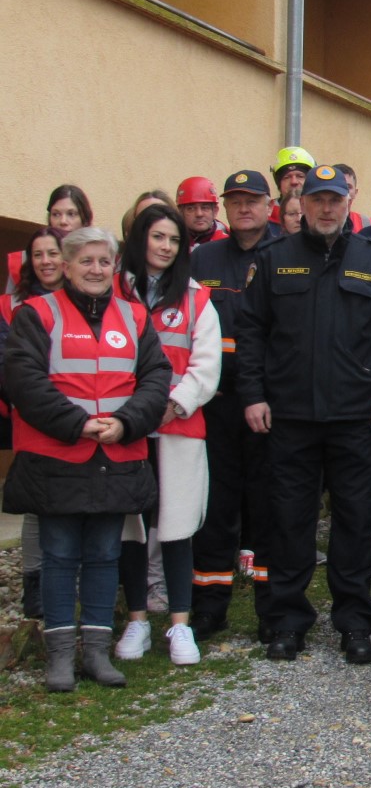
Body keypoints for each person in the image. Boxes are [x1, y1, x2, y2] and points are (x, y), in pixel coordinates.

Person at [235, 164, 371, 664]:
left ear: (348, 201)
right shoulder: (274, 259)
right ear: (302, 202)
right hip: (289, 417)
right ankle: (286, 621)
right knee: (289, 522)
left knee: (355, 523)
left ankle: (355, 622)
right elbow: (249, 333)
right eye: (316, 199)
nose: (325, 208)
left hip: (356, 417)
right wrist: (252, 395)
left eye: (334, 200)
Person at [4, 227, 171, 691]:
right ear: (67, 266)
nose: (96, 270)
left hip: (116, 455)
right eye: (86, 261)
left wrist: (126, 422)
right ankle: (59, 657)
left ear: (114, 267)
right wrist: (76, 423)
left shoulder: (136, 317)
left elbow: (157, 377)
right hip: (56, 459)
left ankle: (96, 653)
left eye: (104, 262)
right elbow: (23, 381)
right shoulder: (36, 314)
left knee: (103, 555)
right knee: (58, 556)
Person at [112, 205, 221, 666]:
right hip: (125, 431)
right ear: (140, 239)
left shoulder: (196, 298)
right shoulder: (113, 294)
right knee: (131, 528)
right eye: (157, 237)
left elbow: (206, 363)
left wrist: (176, 402)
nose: (165, 247)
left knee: (177, 529)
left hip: (178, 427)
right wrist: (131, 414)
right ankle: (136, 620)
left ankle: (180, 625)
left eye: (173, 240)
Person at [189, 170, 277, 641]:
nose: (244, 208)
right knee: (217, 507)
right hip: (217, 402)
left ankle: (269, 607)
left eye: (253, 200)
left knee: (267, 506)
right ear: (224, 207)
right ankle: (209, 605)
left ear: (269, 205)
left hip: (266, 404)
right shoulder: (203, 257)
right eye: (235, 200)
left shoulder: (286, 254)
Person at [0, 227, 66, 619]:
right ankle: (34, 584)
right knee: (34, 506)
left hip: (76, 419)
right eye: (37, 254)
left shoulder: (86, 302)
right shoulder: (13, 306)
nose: (45, 261)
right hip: (32, 418)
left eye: (52, 253)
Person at [175, 177, 227, 248]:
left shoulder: (230, 244)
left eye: (205, 208)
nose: (199, 214)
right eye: (191, 208)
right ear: (180, 212)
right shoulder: (172, 243)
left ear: (215, 211)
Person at [269, 146, 315, 226]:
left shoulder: (321, 214)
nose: (294, 182)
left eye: (300, 176)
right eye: (287, 177)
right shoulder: (268, 215)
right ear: (279, 184)